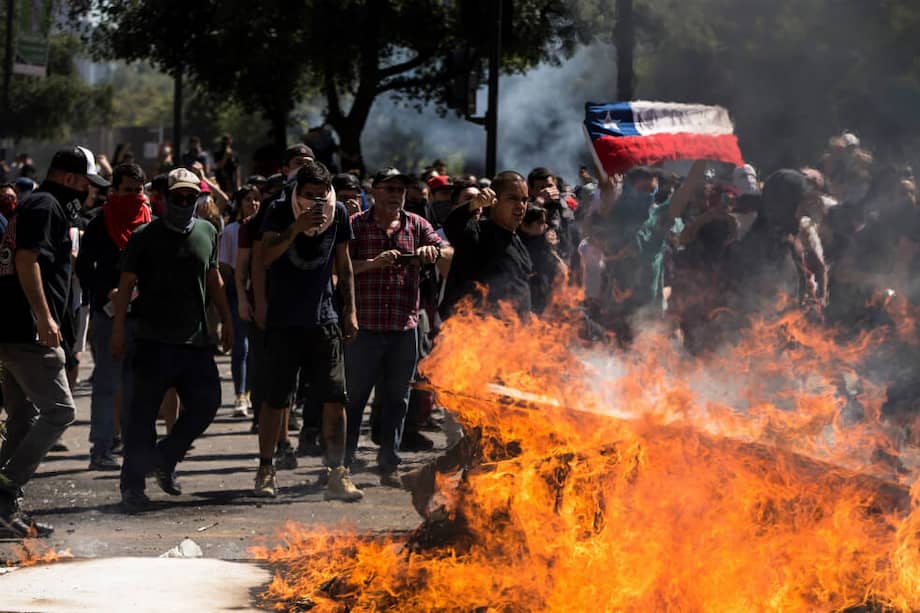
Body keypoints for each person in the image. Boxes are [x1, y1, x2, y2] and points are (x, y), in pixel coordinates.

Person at [0, 146, 110, 537]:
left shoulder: (41, 205)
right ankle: (5, 488)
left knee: (23, 418)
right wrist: (45, 319)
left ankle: (5, 508)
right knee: (61, 411)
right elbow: (27, 260)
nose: (89, 191)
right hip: (28, 332)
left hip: (14, 329)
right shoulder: (45, 206)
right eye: (85, 183)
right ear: (68, 178)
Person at [113, 167, 233, 513]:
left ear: (198, 198)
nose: (183, 202)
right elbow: (124, 289)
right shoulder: (144, 236)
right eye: (177, 196)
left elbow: (214, 280)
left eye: (190, 197)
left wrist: (227, 320)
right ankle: (132, 488)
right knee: (141, 418)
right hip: (151, 341)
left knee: (208, 403)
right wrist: (119, 330)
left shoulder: (208, 231)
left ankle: (165, 458)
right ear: (164, 198)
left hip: (194, 341)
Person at [254, 160, 362, 501]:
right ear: (298, 191)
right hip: (285, 321)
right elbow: (266, 256)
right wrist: (296, 228)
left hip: (325, 319)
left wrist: (351, 310)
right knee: (276, 400)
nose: (317, 202)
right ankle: (266, 469)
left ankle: (337, 473)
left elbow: (343, 264)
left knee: (335, 398)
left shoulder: (339, 212)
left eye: (322, 195)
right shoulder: (278, 210)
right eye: (310, 195)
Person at [345, 167, 451, 486]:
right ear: (374, 191)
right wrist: (373, 264)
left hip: (403, 327)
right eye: (389, 189)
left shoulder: (417, 224)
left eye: (400, 190)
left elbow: (446, 254)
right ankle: (343, 464)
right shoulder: (355, 225)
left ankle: (388, 463)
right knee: (355, 398)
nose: (395, 195)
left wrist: (433, 253)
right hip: (364, 327)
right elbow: (340, 269)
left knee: (397, 398)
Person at [75, 162, 150, 470]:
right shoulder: (98, 224)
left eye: (138, 190)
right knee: (107, 382)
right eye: (127, 190)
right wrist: (108, 292)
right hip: (108, 316)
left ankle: (134, 448)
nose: (133, 196)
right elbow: (83, 268)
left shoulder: (151, 223)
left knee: (138, 385)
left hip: (143, 316)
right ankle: (101, 448)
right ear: (114, 190)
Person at [441, 170, 533, 318]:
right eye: (513, 199)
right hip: (475, 332)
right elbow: (452, 224)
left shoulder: (518, 242)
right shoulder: (476, 232)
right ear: (494, 201)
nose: (521, 205)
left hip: (512, 335)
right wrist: (474, 204)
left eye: (524, 200)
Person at [223, 185, 261, 417]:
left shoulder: (265, 230)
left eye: (257, 199)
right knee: (241, 346)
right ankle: (240, 395)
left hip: (259, 293)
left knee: (257, 348)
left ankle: (253, 393)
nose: (253, 204)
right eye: (248, 199)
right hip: (237, 292)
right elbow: (226, 267)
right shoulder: (231, 231)